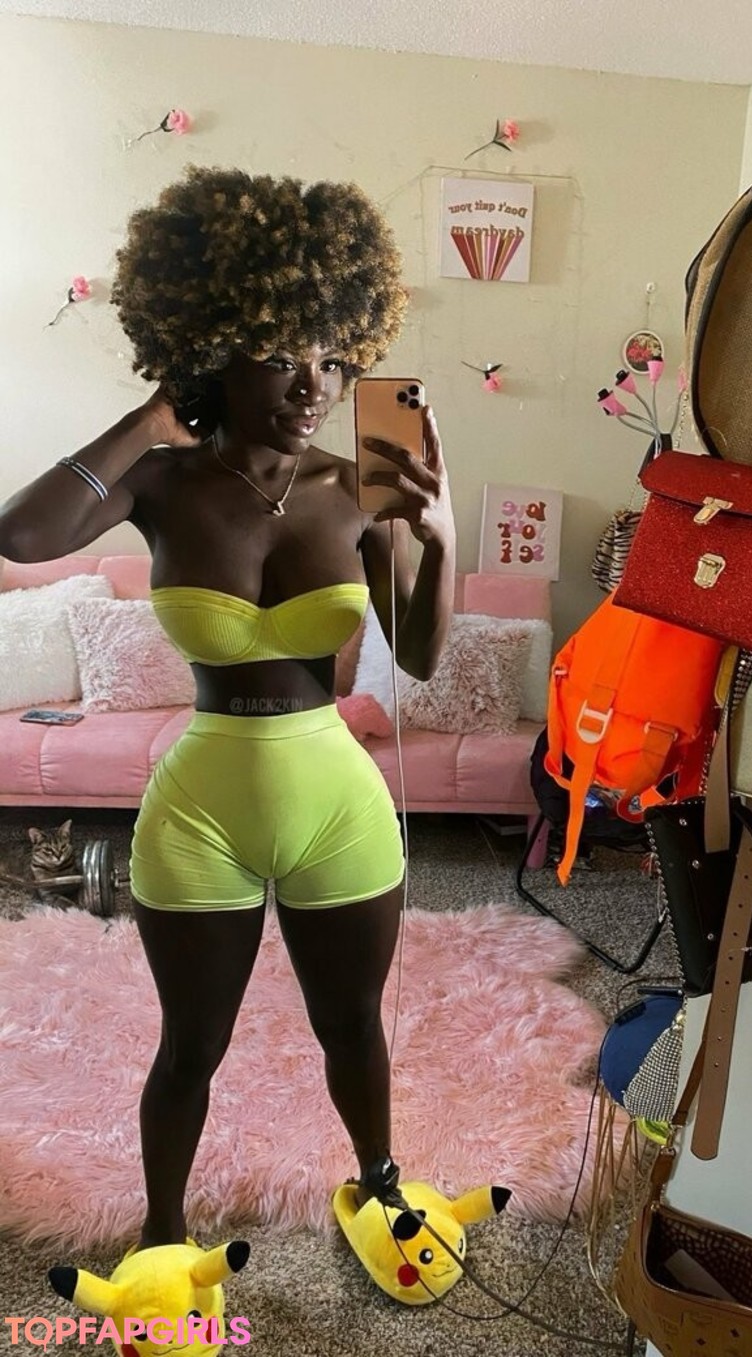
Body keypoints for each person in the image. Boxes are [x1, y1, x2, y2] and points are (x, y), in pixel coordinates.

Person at [0, 166, 455, 1249]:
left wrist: (435, 538)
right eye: (283, 355)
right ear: (214, 348)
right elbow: (21, 534)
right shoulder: (162, 483)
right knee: (189, 1045)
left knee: (352, 1025)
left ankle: (381, 1184)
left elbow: (421, 654)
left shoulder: (358, 488)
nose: (314, 384)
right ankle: (163, 1235)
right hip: (200, 810)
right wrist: (146, 419)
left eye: (331, 359)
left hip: (337, 802)